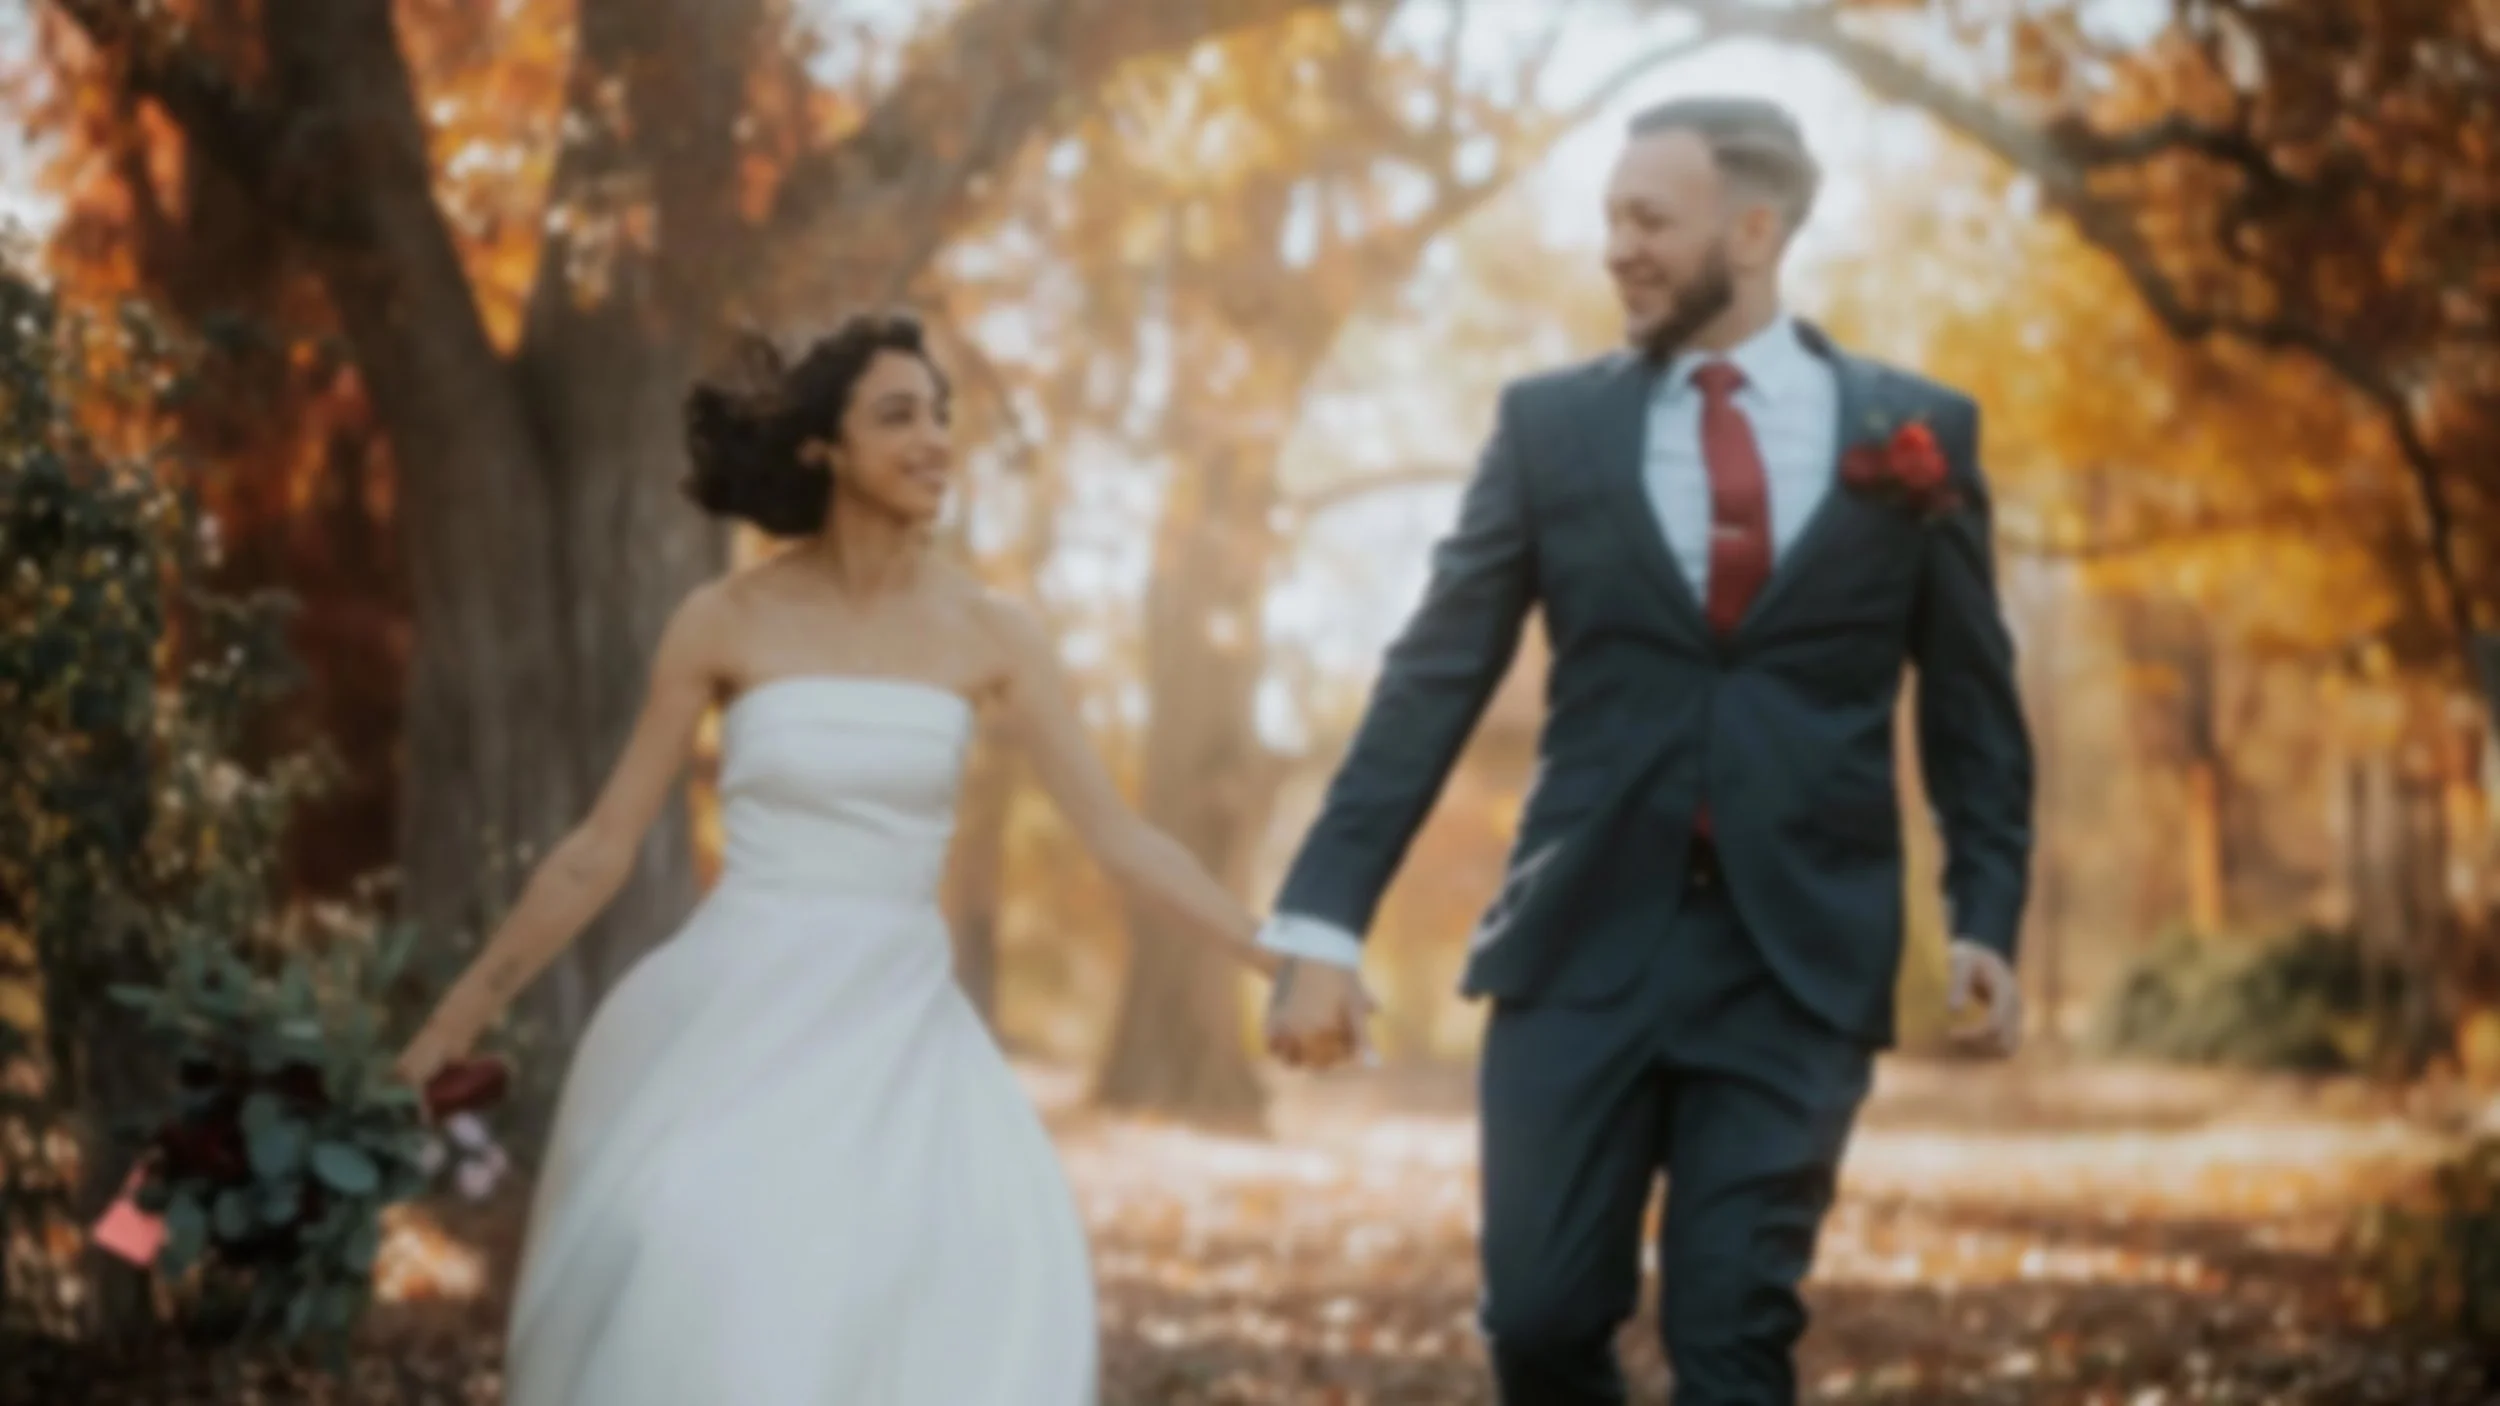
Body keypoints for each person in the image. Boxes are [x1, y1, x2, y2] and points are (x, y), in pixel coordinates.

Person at [1257, 95, 2035, 1404]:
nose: (1616, 248)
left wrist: (1986, 917)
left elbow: (1972, 707)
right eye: (1610, 218)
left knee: (1734, 1340)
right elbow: (1432, 677)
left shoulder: (1916, 435)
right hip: (1576, 947)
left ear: (1755, 229)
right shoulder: (1549, 429)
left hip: (1796, 961)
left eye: (1649, 220)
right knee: (1541, 1322)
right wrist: (1325, 918)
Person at [394, 311, 1276, 1406]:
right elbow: (598, 851)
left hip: (900, 1026)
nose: (933, 439)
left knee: (933, 1283)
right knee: (690, 1252)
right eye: (898, 416)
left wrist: (1275, 955)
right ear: (824, 447)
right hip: (736, 1012)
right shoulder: (722, 619)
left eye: (940, 416)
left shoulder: (993, 633)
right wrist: (453, 1021)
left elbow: (1124, 840)